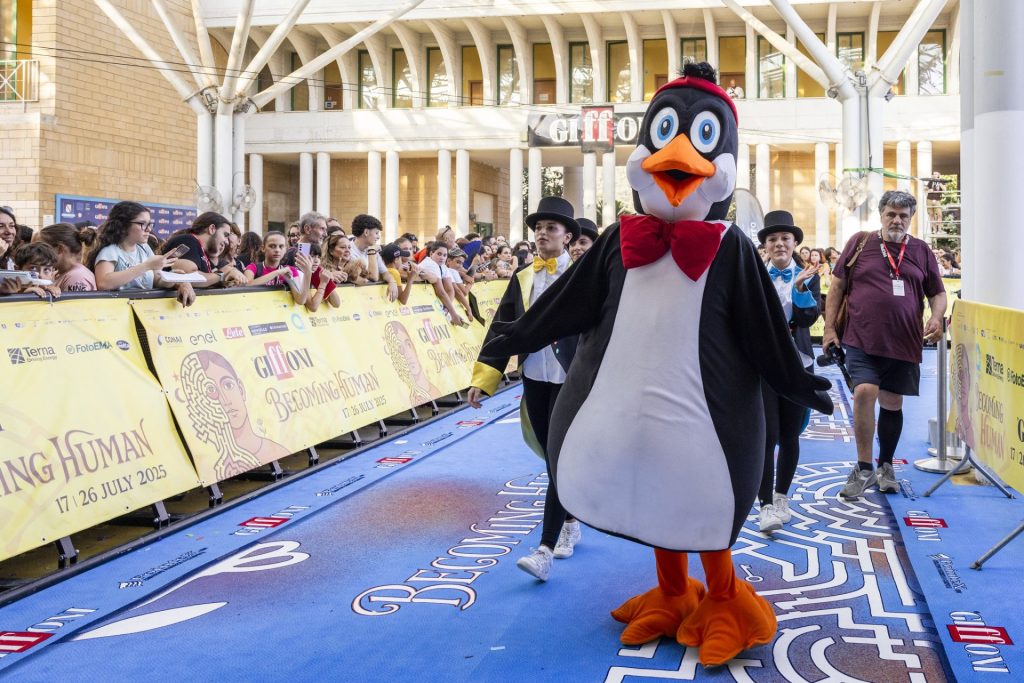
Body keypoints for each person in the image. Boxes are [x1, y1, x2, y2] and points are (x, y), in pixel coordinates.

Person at [466, 195, 583, 580]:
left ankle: (545, 548)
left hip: (571, 379)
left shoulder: (582, 277)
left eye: (551, 228)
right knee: (551, 457)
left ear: (567, 236)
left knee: (559, 459)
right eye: (539, 228)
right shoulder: (522, 277)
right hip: (534, 376)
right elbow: (502, 327)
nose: (542, 234)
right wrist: (484, 379)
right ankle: (571, 518)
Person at [823, 190, 946, 498]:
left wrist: (937, 317)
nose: (896, 220)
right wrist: (829, 328)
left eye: (903, 215)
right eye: (891, 214)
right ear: (881, 215)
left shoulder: (921, 250)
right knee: (865, 391)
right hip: (861, 338)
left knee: (893, 403)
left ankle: (886, 465)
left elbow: (937, 293)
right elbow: (837, 286)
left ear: (911, 218)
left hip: (904, 341)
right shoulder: (860, 242)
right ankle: (864, 468)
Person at [755, 212, 821, 532]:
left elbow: (808, 319)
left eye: (785, 238)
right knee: (766, 435)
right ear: (765, 246)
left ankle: (782, 497)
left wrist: (798, 287)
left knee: (790, 433)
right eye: (773, 239)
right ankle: (765, 505)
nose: (779, 243)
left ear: (795, 243)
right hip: (764, 365)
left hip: (798, 365)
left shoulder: (807, 276)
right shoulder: (755, 275)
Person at [178, 350, 289, 480]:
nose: (225, 400)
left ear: (241, 389)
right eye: (211, 390)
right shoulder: (212, 466)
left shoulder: (277, 449)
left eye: (228, 385)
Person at [86, 201, 196, 306]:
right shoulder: (110, 251)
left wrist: (174, 279)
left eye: (150, 224)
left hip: (144, 309)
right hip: (118, 311)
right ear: (123, 225)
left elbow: (156, 280)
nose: (148, 229)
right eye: (142, 224)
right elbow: (103, 283)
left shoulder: (144, 248)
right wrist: (146, 266)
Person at [160, 212, 247, 287]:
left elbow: (224, 269)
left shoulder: (205, 252)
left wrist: (233, 272)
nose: (227, 242)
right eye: (225, 235)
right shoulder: (188, 240)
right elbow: (188, 277)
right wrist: (222, 274)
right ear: (212, 229)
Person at [243, 231, 312, 305]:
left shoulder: (290, 270)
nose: (277, 250)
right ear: (263, 248)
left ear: (285, 249)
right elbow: (246, 286)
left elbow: (300, 300)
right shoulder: (252, 267)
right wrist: (277, 272)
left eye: (281, 246)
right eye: (272, 246)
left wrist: (308, 273)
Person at [348, 214, 400, 301]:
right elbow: (373, 277)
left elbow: (385, 273)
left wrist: (392, 281)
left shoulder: (372, 249)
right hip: (353, 299)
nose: (378, 237)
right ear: (366, 232)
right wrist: (371, 252)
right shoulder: (349, 251)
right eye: (376, 233)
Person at [38, 222, 98, 292]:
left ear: (60, 249)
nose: (39, 254)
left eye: (43, 249)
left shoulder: (77, 277)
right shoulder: (57, 273)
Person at [304, 242, 342, 311]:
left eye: (318, 257)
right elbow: (313, 307)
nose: (316, 261)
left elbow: (336, 303)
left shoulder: (317, 271)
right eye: (312, 256)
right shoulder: (300, 272)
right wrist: (323, 283)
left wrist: (327, 281)